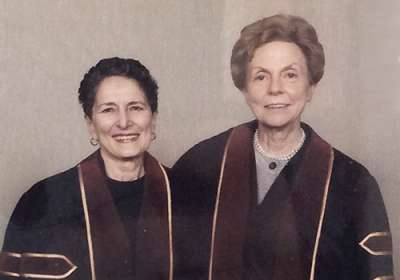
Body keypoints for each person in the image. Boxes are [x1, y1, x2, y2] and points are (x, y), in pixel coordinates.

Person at [172, 14, 394, 280]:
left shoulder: (353, 184)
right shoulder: (200, 166)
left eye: (290, 75)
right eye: (261, 77)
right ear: (244, 88)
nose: (275, 89)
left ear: (310, 86)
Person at [0, 57, 173, 280]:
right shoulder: (42, 202)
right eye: (108, 110)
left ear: (153, 118)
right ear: (91, 125)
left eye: (136, 108)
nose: (123, 122)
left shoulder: (189, 195)